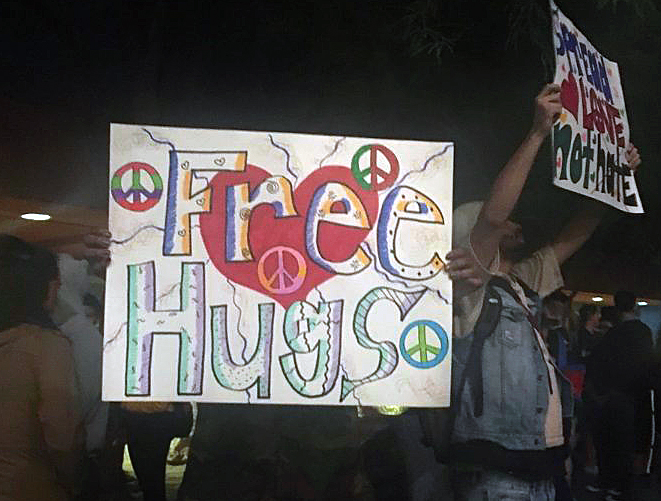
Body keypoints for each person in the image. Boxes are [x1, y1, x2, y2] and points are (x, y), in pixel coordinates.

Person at [448, 83, 642, 501]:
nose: (514, 222)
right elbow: (492, 218)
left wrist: (614, 178)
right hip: (500, 478)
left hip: (544, 471)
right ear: (477, 237)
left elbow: (575, 236)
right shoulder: (472, 291)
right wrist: (537, 133)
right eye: (503, 221)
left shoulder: (521, 284)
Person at [0, 235, 82, 501]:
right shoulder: (46, 346)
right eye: (56, 285)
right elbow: (61, 436)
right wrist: (77, 481)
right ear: (43, 288)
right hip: (28, 486)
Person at [585, 291, 654, 500]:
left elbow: (599, 363)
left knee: (608, 441)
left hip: (609, 395)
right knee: (624, 444)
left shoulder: (611, 333)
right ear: (634, 306)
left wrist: (600, 391)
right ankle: (620, 487)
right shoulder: (642, 332)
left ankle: (607, 482)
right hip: (631, 396)